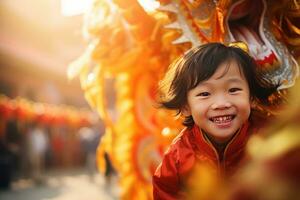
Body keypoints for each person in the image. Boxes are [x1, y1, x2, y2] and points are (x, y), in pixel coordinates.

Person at [152, 42, 279, 199]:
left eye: (233, 90)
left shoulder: (272, 141)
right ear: (186, 106)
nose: (221, 104)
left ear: (251, 97)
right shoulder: (178, 156)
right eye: (205, 94)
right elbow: (164, 192)